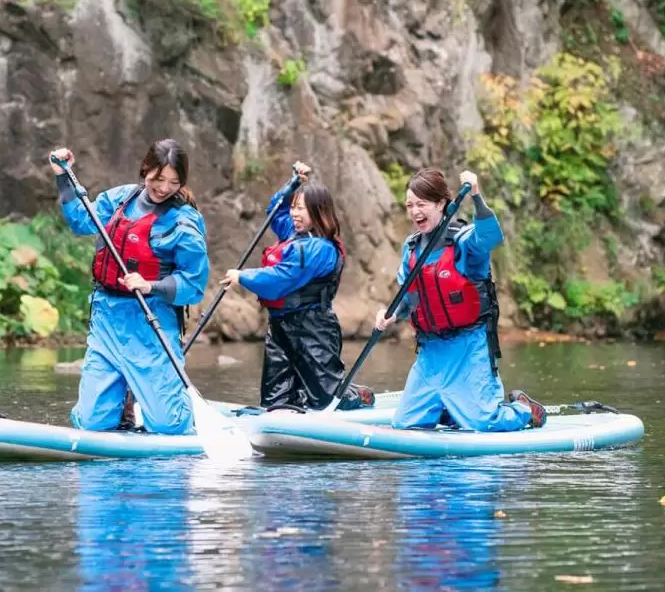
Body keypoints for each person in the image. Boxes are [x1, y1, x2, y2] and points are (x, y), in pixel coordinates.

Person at [50, 139, 210, 434]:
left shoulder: (184, 222)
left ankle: (180, 406)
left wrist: (151, 286)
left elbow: (194, 284)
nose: (163, 188)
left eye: (174, 182)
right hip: (107, 317)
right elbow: (81, 221)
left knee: (168, 425)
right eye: (158, 178)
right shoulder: (120, 199)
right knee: (91, 423)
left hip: (152, 323)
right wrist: (63, 177)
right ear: (145, 170)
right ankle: (125, 403)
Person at [375, 167, 546, 431]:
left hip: (469, 348)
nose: (414, 211)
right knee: (405, 424)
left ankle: (523, 410)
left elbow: (490, 236)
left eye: (422, 204)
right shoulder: (411, 248)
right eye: (409, 205)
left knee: (484, 424)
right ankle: (452, 410)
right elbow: (408, 300)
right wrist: (390, 314)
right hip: (430, 354)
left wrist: (476, 195)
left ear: (442, 204)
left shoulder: (464, 241)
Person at [220, 162, 374, 412]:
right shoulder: (292, 234)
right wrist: (293, 184)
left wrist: (243, 276)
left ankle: (357, 395)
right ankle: (291, 405)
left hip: (312, 329)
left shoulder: (319, 249)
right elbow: (275, 211)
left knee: (326, 400)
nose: (294, 213)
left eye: (301, 208)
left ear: (318, 211)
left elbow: (281, 280)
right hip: (280, 328)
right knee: (275, 402)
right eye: (294, 206)